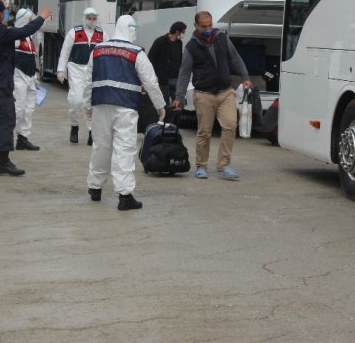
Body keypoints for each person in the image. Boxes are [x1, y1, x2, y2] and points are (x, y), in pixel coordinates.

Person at [83, 15, 166, 211]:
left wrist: (86, 107)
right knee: (124, 150)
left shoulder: (97, 50)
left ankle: (95, 188)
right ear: (129, 29)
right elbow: (150, 82)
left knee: (100, 147)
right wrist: (160, 106)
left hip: (101, 104)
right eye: (133, 28)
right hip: (126, 107)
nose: (135, 31)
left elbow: (88, 81)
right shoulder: (136, 52)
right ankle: (125, 195)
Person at [0, 0, 53, 176]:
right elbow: (25, 31)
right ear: (1, 14)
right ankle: (4, 161)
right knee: (5, 121)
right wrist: (41, 18)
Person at [173, 11, 252, 180]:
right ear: (196, 26)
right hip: (203, 95)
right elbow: (184, 73)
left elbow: (235, 58)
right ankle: (201, 166)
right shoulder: (191, 47)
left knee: (230, 125)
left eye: (210, 25)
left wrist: (245, 77)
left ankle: (224, 165)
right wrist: (179, 97)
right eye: (204, 26)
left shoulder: (221, 38)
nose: (208, 28)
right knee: (204, 132)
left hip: (225, 92)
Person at [57, 7, 105, 145]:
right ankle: (74, 126)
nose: (91, 21)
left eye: (94, 18)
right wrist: (61, 70)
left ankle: (92, 132)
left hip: (94, 70)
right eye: (89, 18)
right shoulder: (74, 32)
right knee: (76, 100)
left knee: (92, 103)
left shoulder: (102, 34)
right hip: (76, 69)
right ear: (84, 18)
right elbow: (65, 52)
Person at [12, 8, 41, 151]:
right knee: (18, 108)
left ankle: (23, 138)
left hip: (29, 77)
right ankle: (5, 137)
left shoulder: (29, 38)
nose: (30, 22)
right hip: (18, 76)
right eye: (29, 19)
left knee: (29, 109)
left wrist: (34, 76)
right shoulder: (15, 36)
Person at [147, 21, 187, 106]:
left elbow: (179, 58)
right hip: (163, 79)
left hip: (176, 79)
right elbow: (151, 57)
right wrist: (155, 74)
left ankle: (176, 118)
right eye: (183, 32)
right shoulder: (160, 41)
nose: (184, 34)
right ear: (177, 32)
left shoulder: (179, 43)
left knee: (179, 104)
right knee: (164, 103)